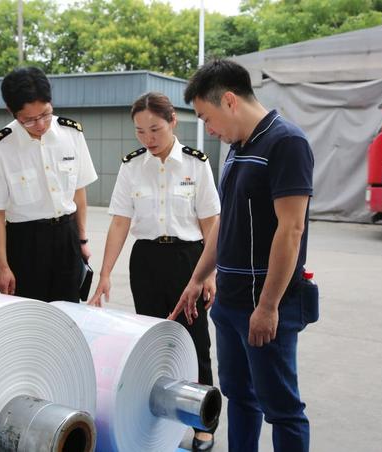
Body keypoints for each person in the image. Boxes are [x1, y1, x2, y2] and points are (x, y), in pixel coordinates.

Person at [170, 59, 315, 452]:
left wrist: (268, 306)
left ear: (229, 100)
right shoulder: (237, 148)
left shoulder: (286, 142)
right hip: (230, 302)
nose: (209, 129)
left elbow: (292, 229)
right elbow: (226, 221)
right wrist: (198, 277)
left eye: (207, 117)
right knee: (240, 396)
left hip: (265, 304)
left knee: (282, 407)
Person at [88, 92, 221, 451]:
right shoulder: (132, 167)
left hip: (188, 259)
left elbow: (211, 222)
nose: (148, 138)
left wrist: (209, 273)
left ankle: (202, 421)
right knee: (151, 341)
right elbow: (119, 223)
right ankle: (158, 413)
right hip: (145, 259)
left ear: (173, 121)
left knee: (195, 339)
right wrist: (104, 274)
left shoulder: (196, 164)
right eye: (140, 131)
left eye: (155, 129)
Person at [0, 66, 97, 302]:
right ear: (12, 111)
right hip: (25, 243)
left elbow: (78, 191)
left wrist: (82, 240)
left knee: (70, 312)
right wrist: (2, 266)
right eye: (29, 120)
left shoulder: (72, 134)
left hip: (66, 237)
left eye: (46, 114)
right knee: (30, 317)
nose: (41, 124)